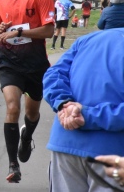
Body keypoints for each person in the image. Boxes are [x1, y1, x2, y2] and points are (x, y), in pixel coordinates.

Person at [0, 0, 55, 183]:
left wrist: (18, 31)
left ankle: (26, 137)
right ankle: (13, 165)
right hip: (9, 63)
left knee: (32, 112)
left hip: (35, 64)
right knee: (12, 107)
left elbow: (49, 30)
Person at [43, 28, 124, 192]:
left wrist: (64, 104)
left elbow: (54, 73)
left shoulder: (87, 40)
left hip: (65, 143)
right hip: (113, 155)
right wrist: (85, 115)